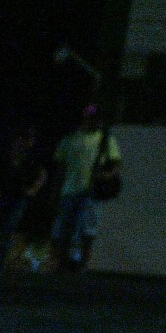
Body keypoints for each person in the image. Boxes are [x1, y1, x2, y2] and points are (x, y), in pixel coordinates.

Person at [49, 103, 119, 271]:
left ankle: (82, 264)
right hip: (69, 190)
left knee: (87, 229)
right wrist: (55, 191)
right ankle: (61, 263)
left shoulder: (105, 139)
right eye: (89, 117)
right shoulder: (70, 138)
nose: (92, 121)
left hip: (91, 192)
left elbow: (116, 163)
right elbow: (60, 167)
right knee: (64, 227)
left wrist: (105, 176)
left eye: (95, 118)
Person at [0, 121, 45, 274]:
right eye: (25, 138)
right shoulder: (4, 154)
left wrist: (32, 190)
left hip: (18, 198)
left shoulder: (31, 158)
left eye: (29, 139)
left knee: (8, 230)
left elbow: (42, 175)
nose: (27, 143)